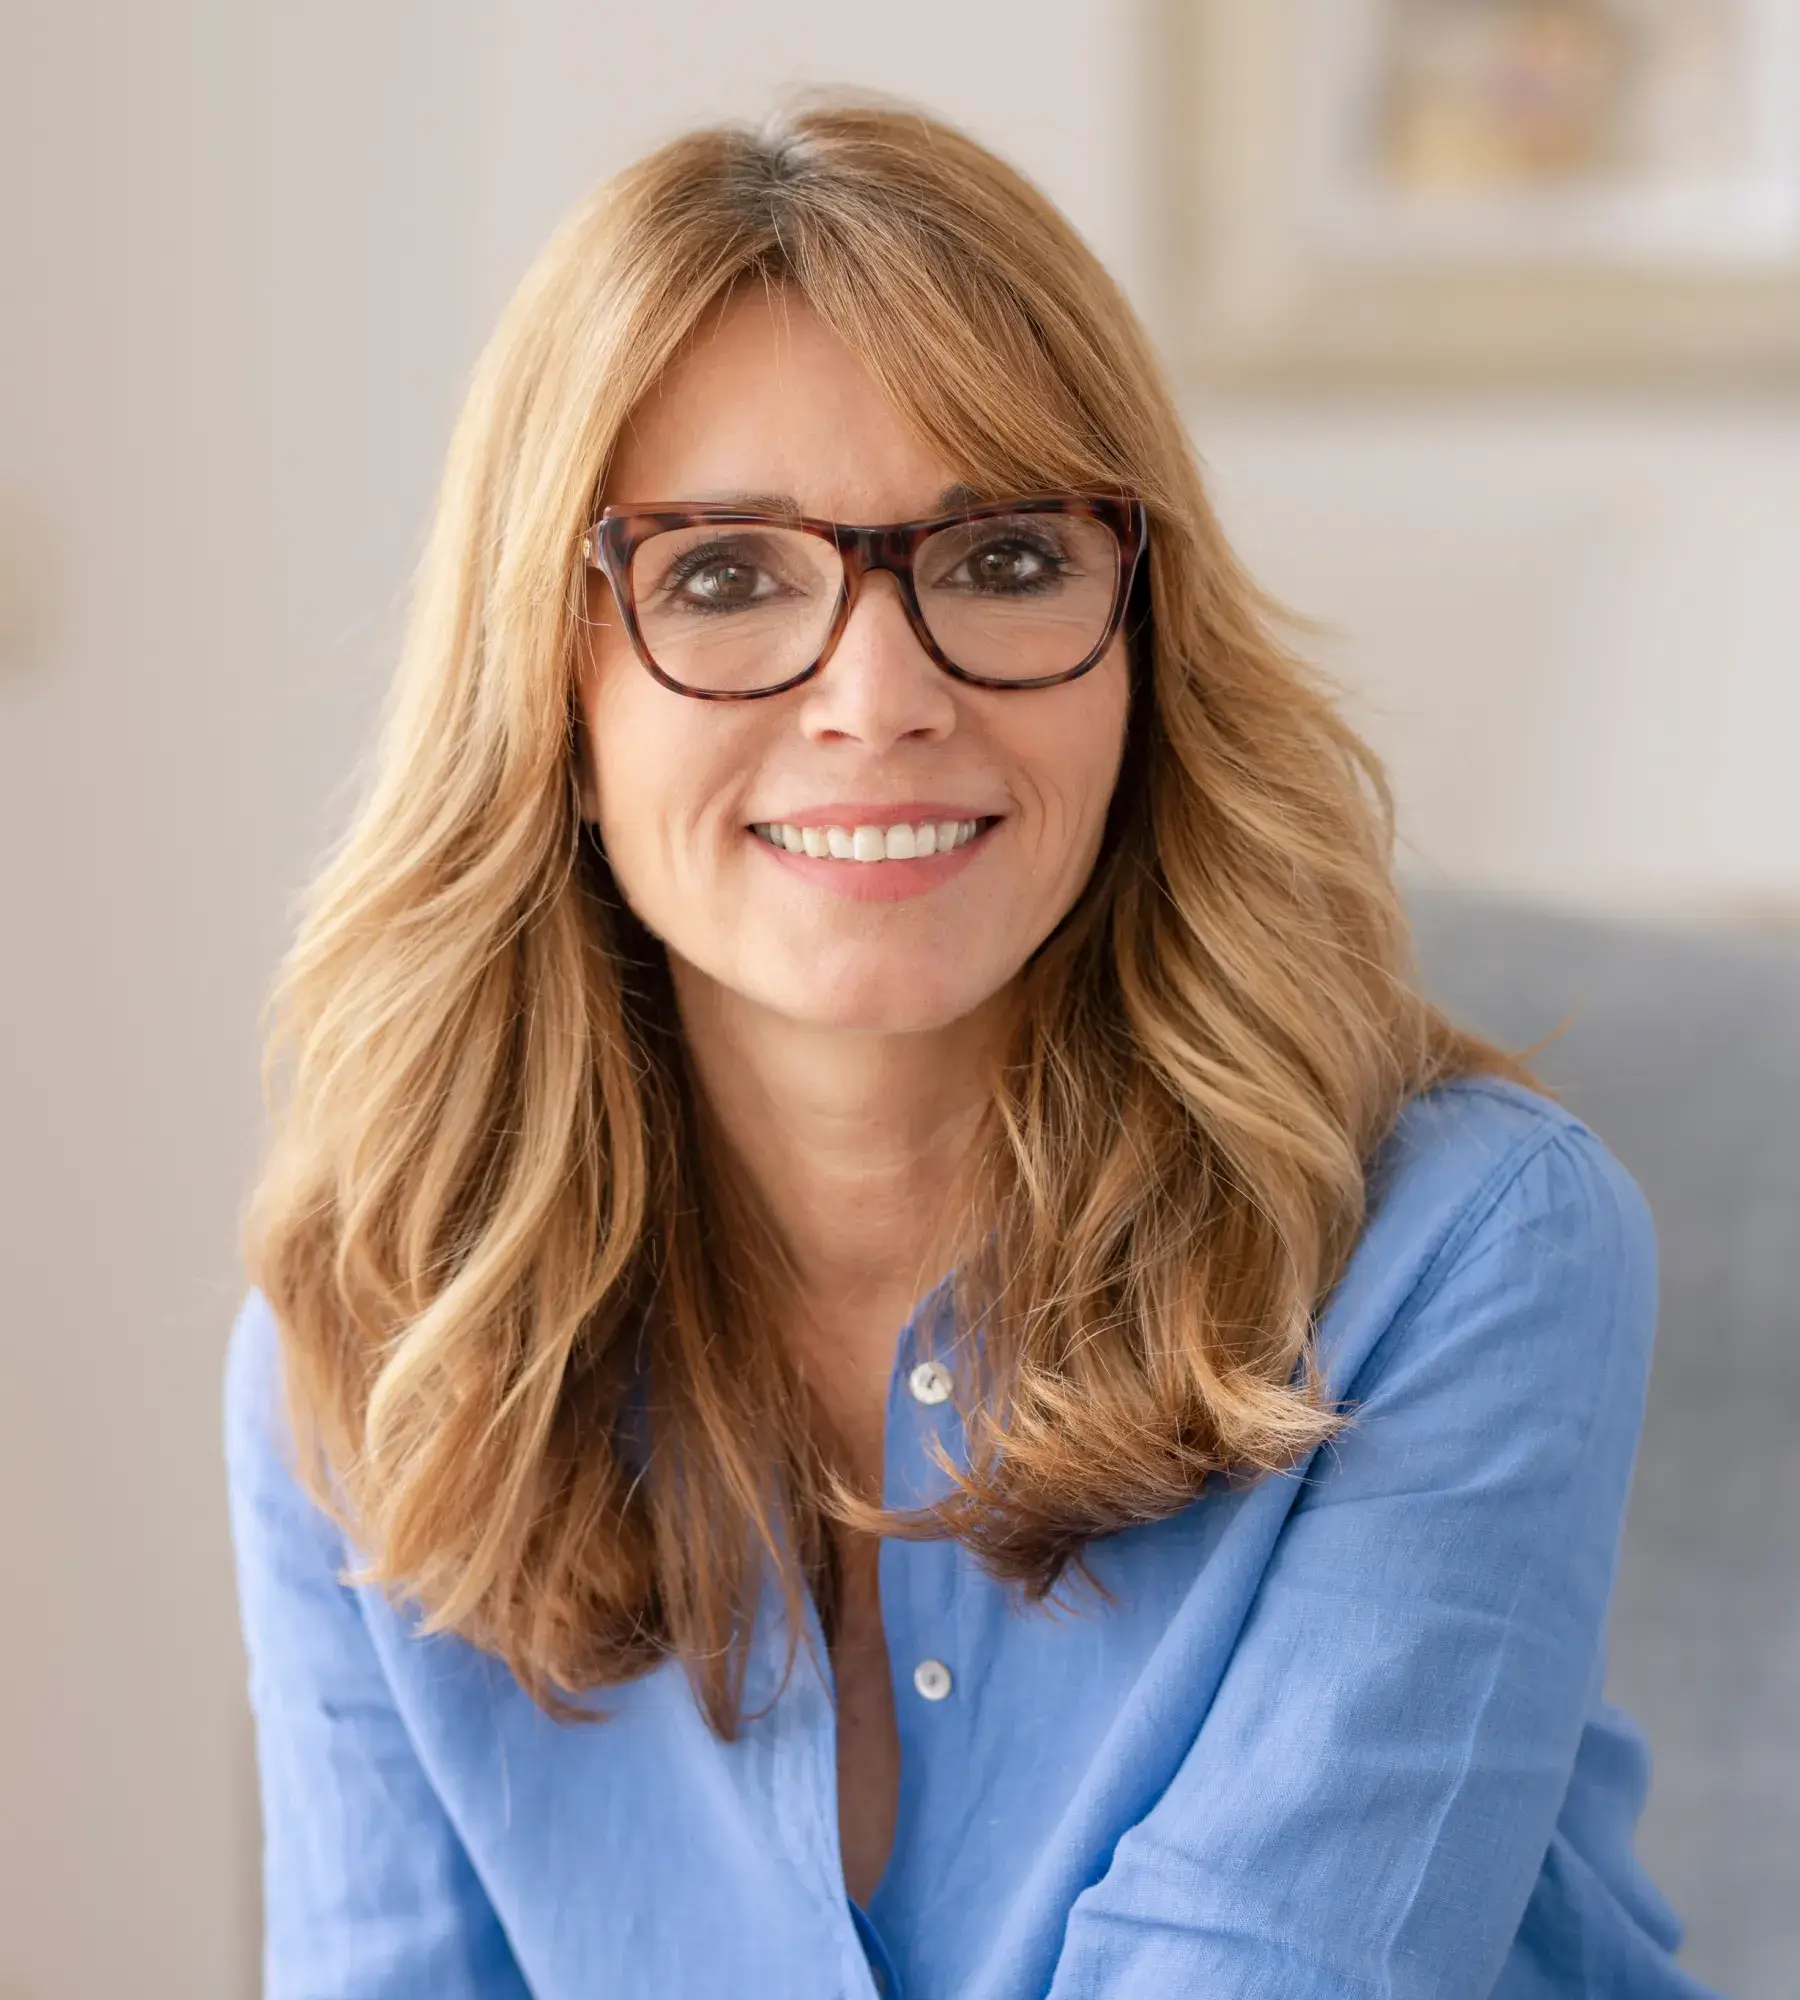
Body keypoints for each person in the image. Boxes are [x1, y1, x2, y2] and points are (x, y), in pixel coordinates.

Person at [223, 98, 1718, 2000]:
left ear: (1141, 642)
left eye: (1005, 560)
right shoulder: (369, 1349)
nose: (881, 696)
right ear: (549, 685)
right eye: (722, 575)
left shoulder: (1471, 1249)